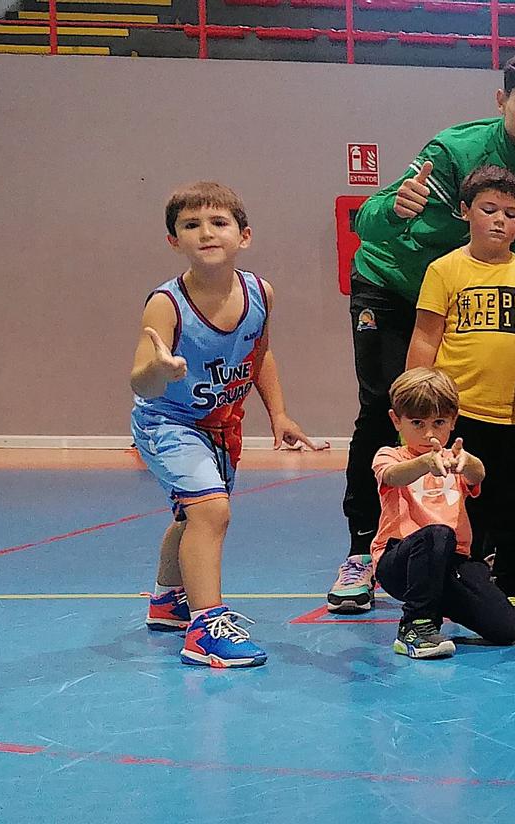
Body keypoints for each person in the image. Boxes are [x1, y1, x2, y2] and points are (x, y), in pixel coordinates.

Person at [332, 52, 515, 614]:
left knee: (474, 431)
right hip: (396, 283)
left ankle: (475, 548)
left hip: (484, 294)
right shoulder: (452, 150)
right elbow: (367, 219)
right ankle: (363, 551)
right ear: (502, 102)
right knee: (388, 407)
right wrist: (394, 207)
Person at [133, 181, 325, 668]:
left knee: (193, 515)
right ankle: (205, 628)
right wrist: (162, 369)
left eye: (218, 223)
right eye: (191, 225)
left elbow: (260, 355)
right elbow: (141, 381)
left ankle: (167, 600)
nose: (206, 232)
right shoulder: (166, 303)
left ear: (244, 235)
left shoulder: (261, 293)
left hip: (221, 424)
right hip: (168, 420)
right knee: (212, 512)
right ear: (174, 240)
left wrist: (278, 414)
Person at [405, 166, 515, 618]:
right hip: (465, 410)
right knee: (465, 501)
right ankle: (467, 581)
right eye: (489, 210)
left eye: (511, 213)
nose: (500, 221)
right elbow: (427, 336)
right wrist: (415, 398)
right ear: (466, 212)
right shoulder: (444, 269)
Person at [369, 368, 515, 658]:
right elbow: (392, 476)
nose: (429, 434)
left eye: (438, 422)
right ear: (396, 421)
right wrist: (425, 463)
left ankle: (435, 604)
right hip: (399, 561)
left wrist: (466, 463)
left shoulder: (456, 460)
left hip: (449, 562)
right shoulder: (390, 456)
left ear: (453, 421)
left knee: (507, 628)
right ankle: (414, 626)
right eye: (417, 423)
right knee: (437, 534)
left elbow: (478, 474)